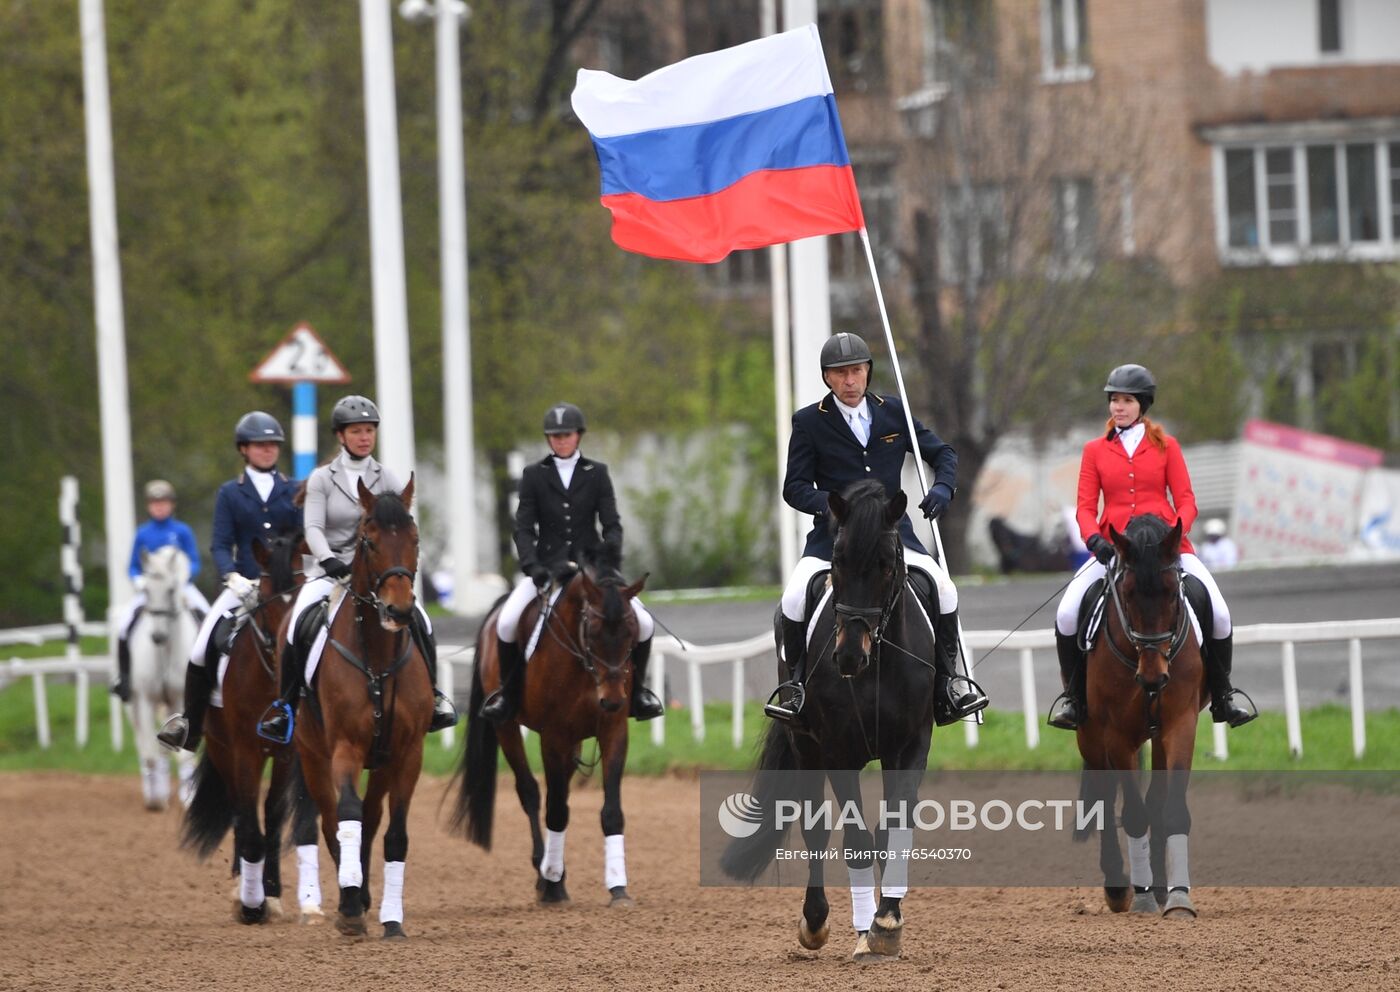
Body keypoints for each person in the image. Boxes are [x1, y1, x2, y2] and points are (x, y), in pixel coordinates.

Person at [764, 331, 989, 725]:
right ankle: (796, 688)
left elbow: (943, 453)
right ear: (827, 378)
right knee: (794, 600)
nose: (850, 381)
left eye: (856, 371)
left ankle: (948, 684)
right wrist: (836, 510)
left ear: (868, 371)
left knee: (945, 590)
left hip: (893, 535)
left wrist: (942, 487)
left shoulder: (892, 412)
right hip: (835, 540)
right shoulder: (808, 423)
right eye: (840, 374)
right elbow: (794, 487)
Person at [1048, 364, 1256, 730]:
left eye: (1126, 400)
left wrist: (1173, 537)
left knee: (1220, 614)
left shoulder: (1167, 446)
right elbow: (1084, 506)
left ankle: (1223, 696)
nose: (1117, 407)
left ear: (1142, 405)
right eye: (1114, 400)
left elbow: (1187, 500)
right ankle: (1074, 699)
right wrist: (1094, 538)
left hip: (1165, 552)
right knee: (1066, 613)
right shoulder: (1094, 450)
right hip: (1116, 549)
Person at [255, 395, 457, 742]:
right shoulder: (322, 478)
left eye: (369, 431)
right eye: (356, 431)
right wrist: (329, 559)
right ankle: (285, 707)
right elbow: (314, 527)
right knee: (295, 626)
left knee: (420, 620)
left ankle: (435, 696)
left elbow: (402, 529)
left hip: (377, 574)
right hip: (329, 571)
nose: (364, 437)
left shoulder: (387, 477)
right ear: (341, 436)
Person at [479, 402, 665, 724]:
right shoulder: (534, 475)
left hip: (593, 569)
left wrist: (609, 558)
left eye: (566, 435)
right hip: (548, 569)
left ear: (578, 436)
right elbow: (523, 527)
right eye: (554, 436)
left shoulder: (597, 473)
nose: (560, 441)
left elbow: (612, 524)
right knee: (508, 622)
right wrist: (532, 565)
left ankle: (639, 694)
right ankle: (508, 697)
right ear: (549, 439)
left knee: (644, 623)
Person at [157, 412, 302, 751]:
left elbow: (301, 536)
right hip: (245, 584)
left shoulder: (293, 489)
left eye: (272, 445)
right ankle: (189, 725)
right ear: (244, 449)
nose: (267, 450)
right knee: (199, 648)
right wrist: (232, 576)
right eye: (260, 445)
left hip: (285, 587)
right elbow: (220, 544)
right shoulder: (230, 493)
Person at [110, 480, 211, 702]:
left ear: (172, 505)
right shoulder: (143, 534)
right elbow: (133, 566)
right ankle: (124, 679)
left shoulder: (181, 531)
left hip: (181, 587)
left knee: (207, 617)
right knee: (125, 625)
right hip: (152, 592)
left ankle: (211, 678)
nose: (159, 507)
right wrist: (139, 582)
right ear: (148, 506)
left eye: (163, 503)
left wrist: (183, 578)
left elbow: (194, 560)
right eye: (155, 503)